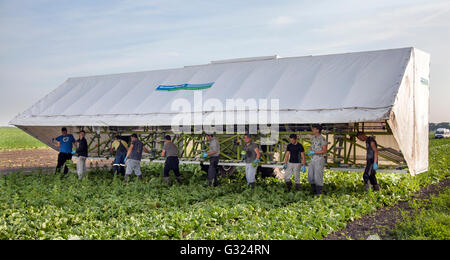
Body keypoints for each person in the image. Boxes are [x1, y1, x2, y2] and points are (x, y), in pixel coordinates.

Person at [306, 125, 328, 196]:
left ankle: (319, 193)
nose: (312, 130)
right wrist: (310, 151)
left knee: (317, 176)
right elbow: (311, 147)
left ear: (318, 130)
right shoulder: (312, 138)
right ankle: (313, 192)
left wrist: (314, 152)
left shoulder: (322, 138)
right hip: (312, 158)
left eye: (314, 129)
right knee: (310, 175)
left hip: (319, 158)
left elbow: (324, 150)